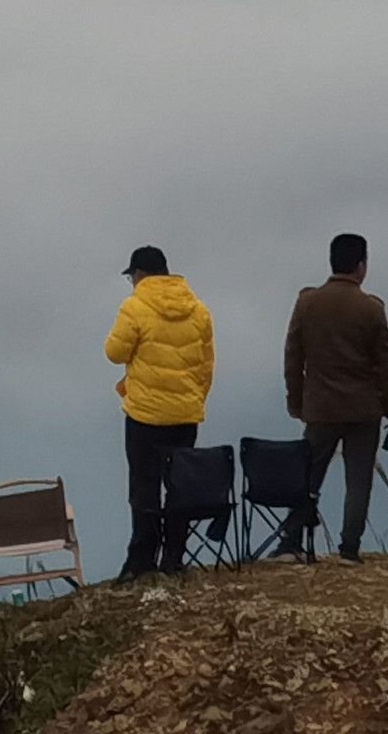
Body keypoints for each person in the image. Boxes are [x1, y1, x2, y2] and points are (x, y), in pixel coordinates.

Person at [285, 232, 388, 562]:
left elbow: (293, 357)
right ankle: (349, 547)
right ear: (361, 266)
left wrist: (296, 402)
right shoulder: (371, 309)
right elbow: (385, 368)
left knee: (309, 476)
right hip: (363, 409)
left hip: (320, 407)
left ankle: (291, 539)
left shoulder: (307, 302)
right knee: (358, 481)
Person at [106, 245, 216, 579]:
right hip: (185, 416)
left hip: (144, 417)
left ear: (138, 274)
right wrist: (194, 398)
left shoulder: (134, 307)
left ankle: (141, 560)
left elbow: (114, 352)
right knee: (180, 487)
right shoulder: (198, 310)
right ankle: (174, 558)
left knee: (144, 486)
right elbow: (206, 367)